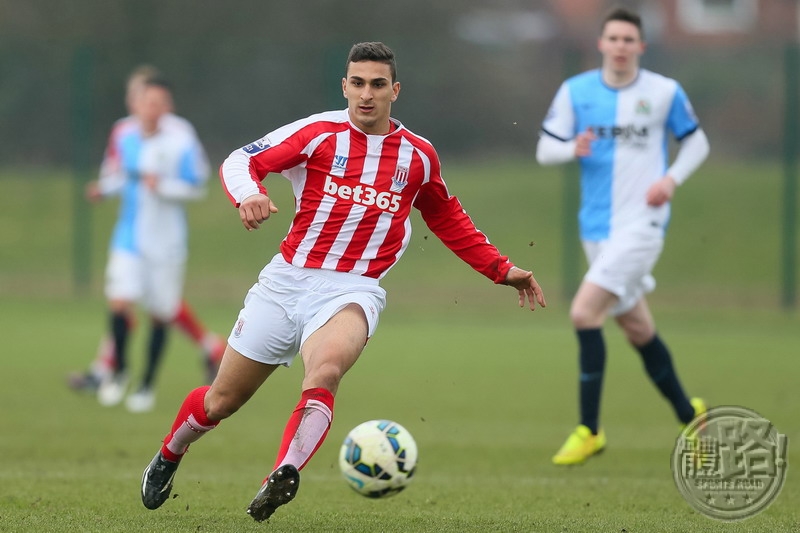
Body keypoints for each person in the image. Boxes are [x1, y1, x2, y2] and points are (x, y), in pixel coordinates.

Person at [140, 41, 547, 521]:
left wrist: (501, 270)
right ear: (345, 86)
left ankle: (283, 473)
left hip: (353, 289)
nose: (367, 95)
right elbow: (239, 160)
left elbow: (447, 217)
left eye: (378, 85)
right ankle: (170, 454)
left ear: (395, 91)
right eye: (358, 83)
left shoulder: (417, 157)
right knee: (221, 400)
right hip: (286, 283)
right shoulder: (318, 133)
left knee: (326, 370)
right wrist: (249, 194)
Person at [535, 6, 710, 466]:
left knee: (583, 312)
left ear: (641, 46)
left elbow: (697, 141)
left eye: (628, 40)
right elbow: (544, 149)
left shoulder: (664, 91)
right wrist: (571, 147)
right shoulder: (577, 92)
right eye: (612, 38)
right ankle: (690, 415)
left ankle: (588, 430)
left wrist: (670, 179)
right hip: (595, 229)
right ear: (601, 44)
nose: (620, 46)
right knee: (637, 328)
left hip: (644, 225)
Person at [88, 74, 212, 413]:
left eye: (158, 102)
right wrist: (103, 189)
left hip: (167, 243)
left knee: (161, 314)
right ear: (136, 103)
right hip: (128, 239)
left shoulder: (180, 140)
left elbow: (198, 185)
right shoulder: (124, 134)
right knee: (119, 303)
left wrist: (164, 186)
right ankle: (119, 370)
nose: (151, 108)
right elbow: (116, 175)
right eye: (146, 101)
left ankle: (146, 384)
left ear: (167, 106)